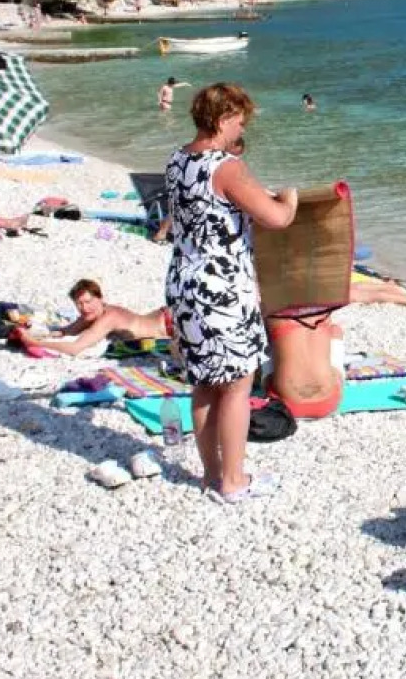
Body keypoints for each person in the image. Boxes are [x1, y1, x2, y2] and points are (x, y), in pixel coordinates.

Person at [166, 83, 297, 502]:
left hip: (184, 279)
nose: (242, 128)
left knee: (204, 381)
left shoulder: (177, 159)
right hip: (222, 287)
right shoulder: (226, 166)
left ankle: (211, 475)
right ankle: (234, 481)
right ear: (224, 119)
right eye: (240, 120)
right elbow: (276, 217)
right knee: (238, 383)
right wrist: (290, 199)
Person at [15, 279, 173, 357]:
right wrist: (35, 333)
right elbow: (66, 332)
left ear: (100, 298)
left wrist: (34, 343)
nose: (84, 308)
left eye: (88, 302)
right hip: (164, 315)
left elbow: (76, 348)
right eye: (79, 304)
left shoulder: (109, 317)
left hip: (169, 324)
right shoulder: (92, 313)